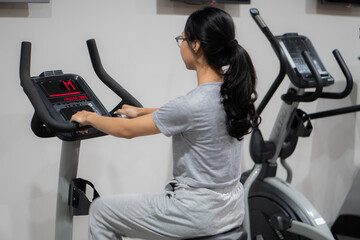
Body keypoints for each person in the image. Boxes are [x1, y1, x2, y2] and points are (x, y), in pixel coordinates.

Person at [70, 7, 258, 240]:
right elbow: (196, 120)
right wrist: (141, 112)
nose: (181, 45)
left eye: (182, 39)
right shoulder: (232, 94)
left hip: (196, 213)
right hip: (230, 211)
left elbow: (126, 131)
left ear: (196, 45)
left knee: (101, 211)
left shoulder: (192, 104)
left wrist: (89, 117)